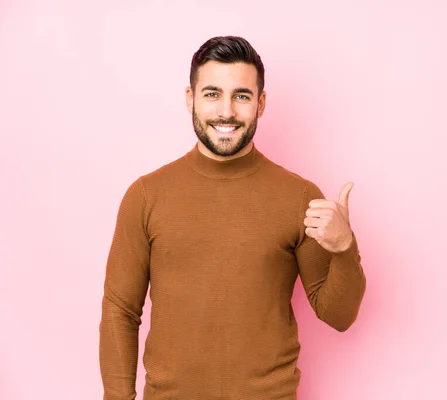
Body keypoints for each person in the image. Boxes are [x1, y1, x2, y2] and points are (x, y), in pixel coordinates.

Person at [99, 35, 366, 400]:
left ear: (261, 103)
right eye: (212, 94)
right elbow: (120, 311)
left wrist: (344, 248)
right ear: (190, 99)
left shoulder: (300, 196)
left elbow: (339, 315)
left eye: (241, 95)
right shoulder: (146, 196)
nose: (227, 111)